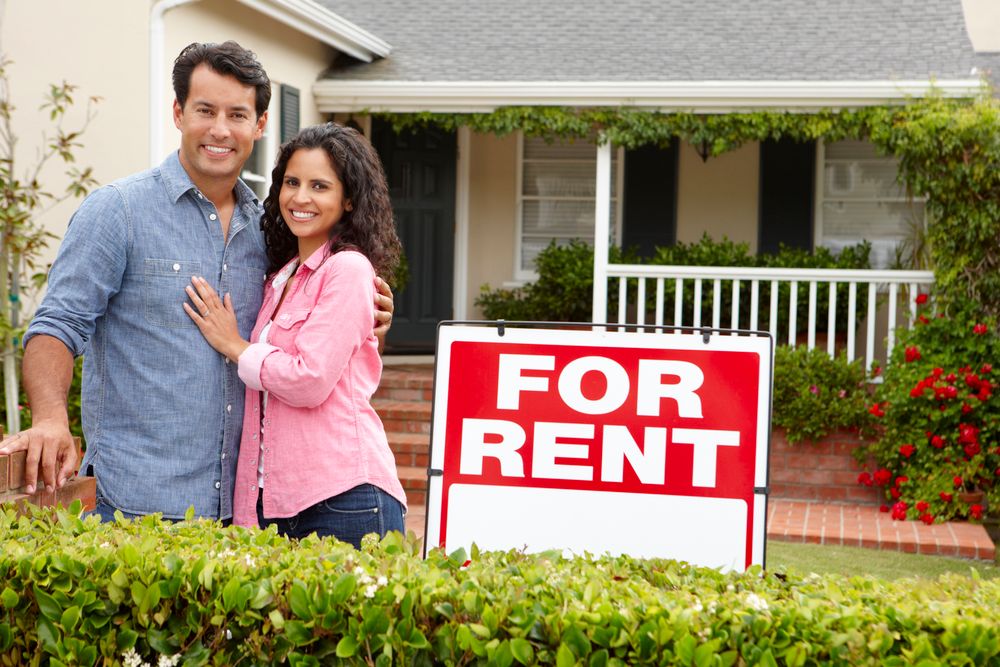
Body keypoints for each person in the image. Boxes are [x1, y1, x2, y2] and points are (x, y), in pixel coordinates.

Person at [0, 42, 394, 522]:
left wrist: (368, 317)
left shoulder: (273, 233)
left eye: (237, 114)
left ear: (260, 125)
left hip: (244, 516)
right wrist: (48, 420)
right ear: (179, 112)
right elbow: (57, 325)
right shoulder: (118, 211)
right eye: (205, 110)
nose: (221, 130)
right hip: (136, 505)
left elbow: (308, 335)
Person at [183, 123, 406, 546]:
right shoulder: (280, 279)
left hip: (345, 498)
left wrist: (235, 345)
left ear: (349, 199)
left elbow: (310, 379)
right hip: (275, 504)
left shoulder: (348, 269)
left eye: (320, 186)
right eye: (292, 182)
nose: (300, 198)